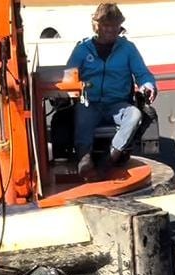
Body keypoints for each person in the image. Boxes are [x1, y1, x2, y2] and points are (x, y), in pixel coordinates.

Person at [66, 3, 157, 179]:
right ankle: (84, 159)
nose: (110, 30)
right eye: (106, 26)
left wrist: (148, 85)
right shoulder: (82, 49)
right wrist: (70, 90)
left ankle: (112, 157)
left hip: (118, 104)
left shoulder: (128, 49)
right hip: (90, 102)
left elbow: (143, 74)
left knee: (135, 115)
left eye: (114, 26)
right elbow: (69, 75)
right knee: (82, 113)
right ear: (97, 26)